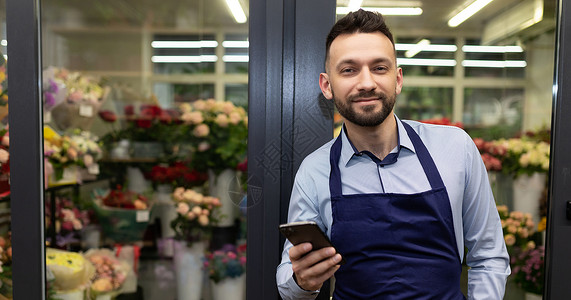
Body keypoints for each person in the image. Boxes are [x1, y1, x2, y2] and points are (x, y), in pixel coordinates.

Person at [276, 9, 510, 300]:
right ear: (327, 85)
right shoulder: (315, 171)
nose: (366, 83)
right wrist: (302, 281)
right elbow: (288, 278)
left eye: (379, 68)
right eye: (349, 70)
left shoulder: (455, 148)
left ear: (398, 79)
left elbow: (488, 256)